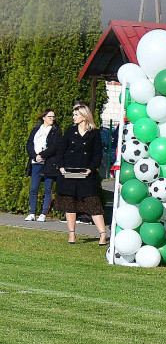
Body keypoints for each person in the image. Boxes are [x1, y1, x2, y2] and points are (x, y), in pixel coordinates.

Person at [54, 105, 107, 245]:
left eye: (76, 114)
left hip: (86, 174)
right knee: (69, 204)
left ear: (84, 116)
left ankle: (102, 234)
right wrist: (61, 167)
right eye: (74, 114)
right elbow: (61, 151)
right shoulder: (70, 131)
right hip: (69, 173)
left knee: (93, 203)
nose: (74, 117)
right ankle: (72, 235)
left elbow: (97, 154)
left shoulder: (94, 133)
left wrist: (90, 168)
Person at [25, 108, 61, 222]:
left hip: (48, 163)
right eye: (50, 117)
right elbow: (29, 143)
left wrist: (42, 155)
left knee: (47, 188)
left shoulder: (56, 130)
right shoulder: (37, 128)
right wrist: (34, 156)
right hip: (36, 162)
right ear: (44, 118)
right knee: (34, 188)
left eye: (53, 117)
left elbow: (54, 147)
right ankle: (32, 212)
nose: (52, 119)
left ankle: (43, 213)